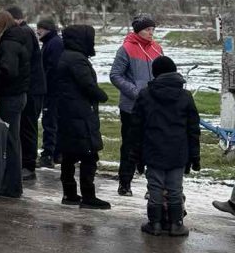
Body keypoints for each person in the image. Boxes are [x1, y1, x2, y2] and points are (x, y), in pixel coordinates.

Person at [131, 56, 199, 236]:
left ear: (155, 73)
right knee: (175, 188)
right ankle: (176, 224)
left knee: (155, 187)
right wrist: (195, 156)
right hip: (178, 151)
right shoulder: (185, 96)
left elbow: (136, 128)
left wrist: (136, 156)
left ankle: (155, 224)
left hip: (153, 149)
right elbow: (193, 128)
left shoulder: (145, 94)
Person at [55, 25, 111, 210]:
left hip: (70, 113)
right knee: (89, 155)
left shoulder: (68, 55)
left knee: (70, 155)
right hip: (79, 114)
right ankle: (88, 196)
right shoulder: (76, 59)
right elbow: (87, 85)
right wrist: (102, 95)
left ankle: (69, 194)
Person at [110, 15, 163, 197]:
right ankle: (125, 183)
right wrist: (136, 92)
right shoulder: (126, 49)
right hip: (131, 107)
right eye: (148, 29)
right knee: (130, 145)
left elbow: (162, 73)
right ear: (138, 30)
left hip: (153, 106)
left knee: (153, 146)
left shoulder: (157, 49)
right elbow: (115, 75)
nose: (151, 33)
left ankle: (153, 187)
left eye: (153, 30)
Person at [0, 10, 31, 199]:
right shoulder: (13, 40)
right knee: (11, 141)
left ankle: (12, 186)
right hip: (14, 96)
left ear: (4, 25)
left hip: (9, 97)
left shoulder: (9, 44)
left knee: (10, 142)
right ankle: (10, 184)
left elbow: (8, 71)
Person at [7, 7, 45, 183]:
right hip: (31, 87)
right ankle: (26, 163)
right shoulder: (26, 32)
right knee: (25, 127)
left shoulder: (23, 33)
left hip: (31, 89)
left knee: (28, 127)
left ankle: (28, 165)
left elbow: (24, 61)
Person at [36, 18, 64, 167]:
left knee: (50, 122)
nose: (37, 31)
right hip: (52, 90)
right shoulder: (51, 42)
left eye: (40, 28)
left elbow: (52, 68)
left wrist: (44, 85)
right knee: (53, 121)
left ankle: (48, 154)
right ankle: (55, 153)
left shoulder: (53, 44)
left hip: (52, 91)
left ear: (47, 29)